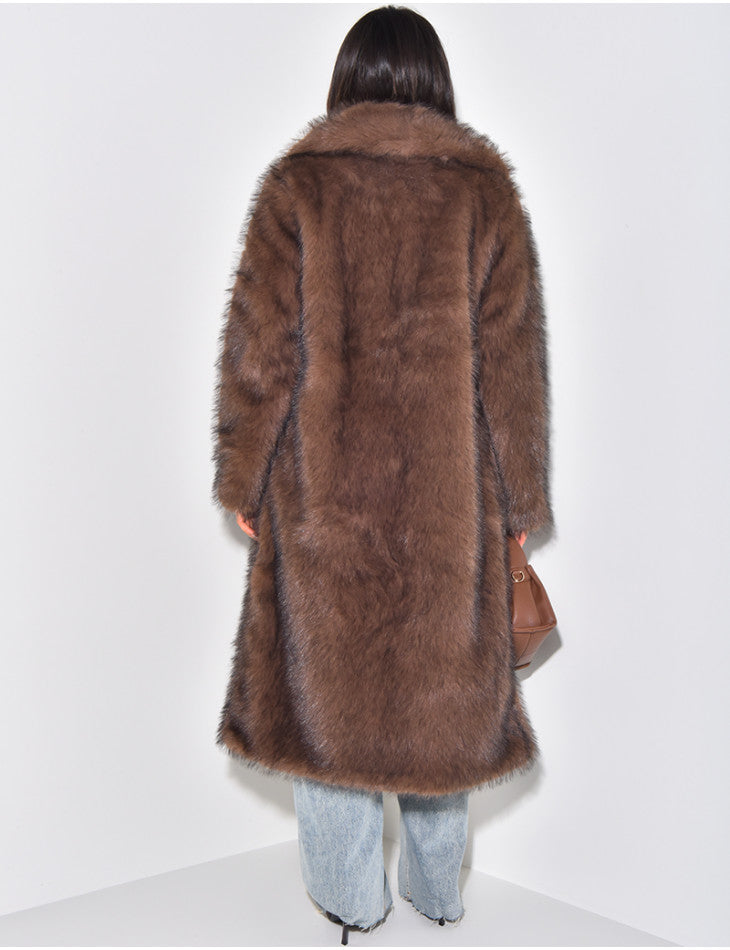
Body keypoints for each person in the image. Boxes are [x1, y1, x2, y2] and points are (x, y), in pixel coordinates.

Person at [211, 5, 554, 943]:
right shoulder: (486, 197)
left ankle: (351, 904)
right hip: (452, 504)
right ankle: (438, 897)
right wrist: (519, 501)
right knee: (445, 702)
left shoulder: (298, 189)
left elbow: (259, 353)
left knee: (328, 702)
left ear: (345, 80)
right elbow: (513, 367)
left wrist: (245, 480)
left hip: (323, 497)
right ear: (436, 80)